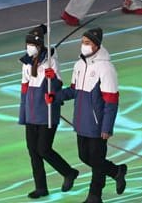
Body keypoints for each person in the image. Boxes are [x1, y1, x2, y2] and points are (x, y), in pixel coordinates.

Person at [55, 27, 127, 203]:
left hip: (97, 125)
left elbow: (111, 100)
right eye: (82, 42)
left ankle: (95, 196)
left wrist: (107, 126)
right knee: (84, 157)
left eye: (87, 43)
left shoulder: (106, 68)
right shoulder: (79, 65)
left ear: (96, 45)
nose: (83, 46)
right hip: (81, 122)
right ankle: (116, 171)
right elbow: (74, 91)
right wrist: (56, 97)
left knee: (96, 160)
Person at [19, 24, 79, 199]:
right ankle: (41, 187)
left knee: (43, 149)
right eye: (27, 44)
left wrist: (52, 77)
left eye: (32, 44)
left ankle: (68, 172)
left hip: (46, 111)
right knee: (33, 151)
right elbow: (24, 87)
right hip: (31, 112)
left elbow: (58, 85)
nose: (29, 48)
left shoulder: (51, 61)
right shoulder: (26, 63)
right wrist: (23, 112)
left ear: (39, 45)